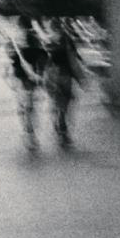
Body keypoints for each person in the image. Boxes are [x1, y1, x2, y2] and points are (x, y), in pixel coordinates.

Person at [7, 18, 47, 150]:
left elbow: (42, 57)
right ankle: (29, 133)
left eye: (20, 27)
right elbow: (43, 57)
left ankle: (29, 133)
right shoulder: (26, 40)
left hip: (24, 78)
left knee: (27, 106)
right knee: (27, 106)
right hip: (26, 78)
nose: (21, 30)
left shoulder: (26, 40)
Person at [43, 20, 80, 151]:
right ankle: (63, 130)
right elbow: (74, 60)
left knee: (56, 103)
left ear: (53, 28)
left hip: (54, 75)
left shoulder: (49, 42)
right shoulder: (68, 40)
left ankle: (59, 126)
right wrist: (80, 78)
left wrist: (45, 76)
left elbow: (46, 61)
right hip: (65, 76)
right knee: (65, 104)